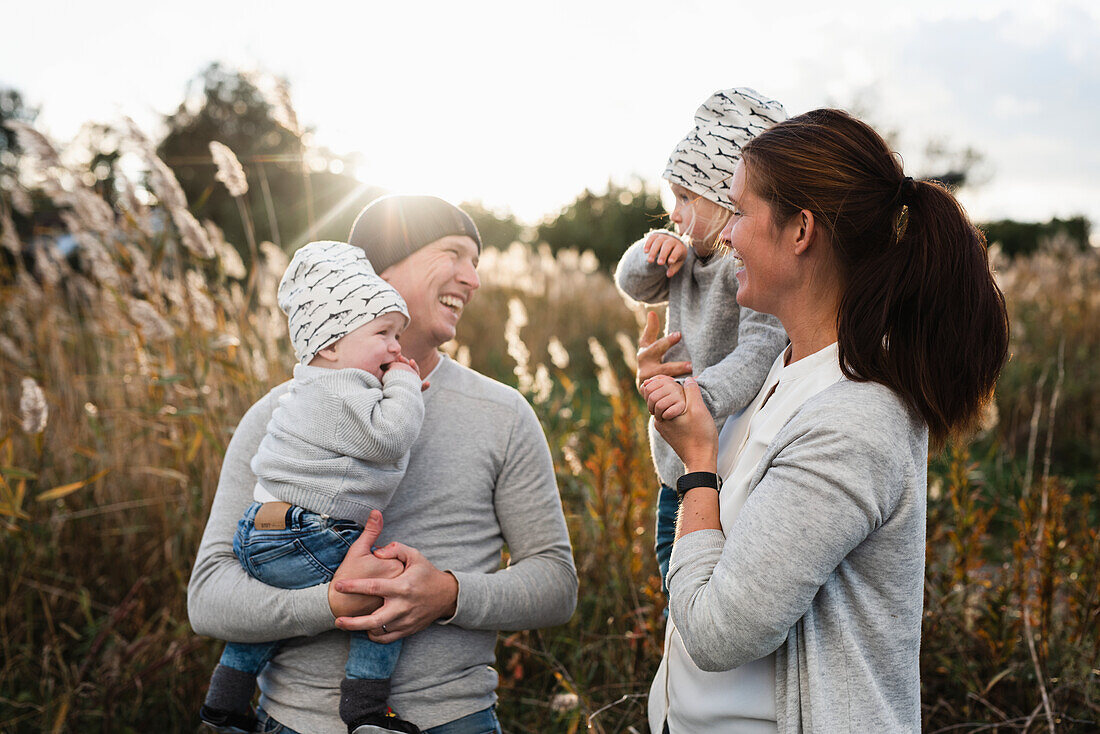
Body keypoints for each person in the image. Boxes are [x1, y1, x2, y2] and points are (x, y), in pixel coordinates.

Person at [640, 109, 1009, 732]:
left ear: (800, 231)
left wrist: (701, 469)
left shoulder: (856, 418)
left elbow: (719, 632)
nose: (725, 237)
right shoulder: (779, 370)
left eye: (739, 211)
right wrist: (677, 397)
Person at [188, 195, 578, 734]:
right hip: (292, 723)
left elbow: (556, 584)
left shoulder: (502, 414)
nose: (473, 279)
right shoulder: (276, 415)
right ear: (379, 271)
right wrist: (329, 603)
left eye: (477, 263)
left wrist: (447, 595)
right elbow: (207, 598)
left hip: (452, 720)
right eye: (454, 254)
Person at [200, 240, 427, 734]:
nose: (396, 348)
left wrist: (391, 388)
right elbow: (390, 436)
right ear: (330, 345)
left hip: (259, 532)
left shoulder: (308, 385)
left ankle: (225, 700)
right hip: (309, 530)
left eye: (398, 336)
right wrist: (405, 386)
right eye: (384, 333)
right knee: (386, 586)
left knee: (268, 607)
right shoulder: (345, 386)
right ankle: (365, 708)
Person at [613, 88, 788, 591]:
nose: (675, 213)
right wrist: (652, 252)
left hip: (725, 455)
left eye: (687, 199)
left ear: (728, 201)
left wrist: (699, 397)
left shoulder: (746, 267)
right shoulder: (684, 256)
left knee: (702, 582)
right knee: (674, 578)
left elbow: (761, 347)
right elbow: (632, 284)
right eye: (673, 199)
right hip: (676, 458)